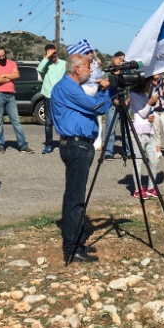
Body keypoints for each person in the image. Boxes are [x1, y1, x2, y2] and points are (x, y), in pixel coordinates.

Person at [49, 53, 112, 263]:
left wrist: (102, 91)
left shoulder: (71, 88)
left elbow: (90, 105)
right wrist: (107, 90)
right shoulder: (67, 87)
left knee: (75, 196)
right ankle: (72, 247)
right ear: (77, 69)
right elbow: (97, 107)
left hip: (79, 145)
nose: (90, 70)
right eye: (87, 66)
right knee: (75, 198)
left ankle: (77, 241)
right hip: (77, 146)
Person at [0, 46, 31, 153]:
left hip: (11, 95)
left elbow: (17, 75)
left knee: (16, 121)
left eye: (3, 55)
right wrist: (10, 76)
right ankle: (0, 144)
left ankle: (23, 145)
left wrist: (4, 75)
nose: (2, 57)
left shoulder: (12, 63)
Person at [36, 44, 66, 155]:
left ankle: (64, 143)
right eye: (50, 53)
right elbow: (39, 69)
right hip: (48, 95)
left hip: (60, 96)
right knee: (48, 122)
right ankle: (48, 144)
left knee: (62, 120)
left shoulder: (63, 64)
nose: (53, 55)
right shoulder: (45, 64)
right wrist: (46, 57)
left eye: (54, 52)